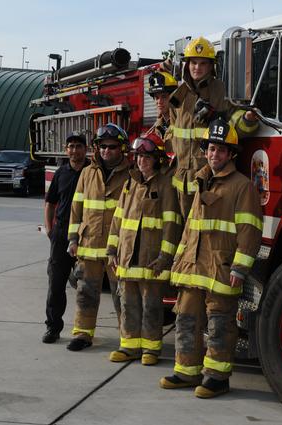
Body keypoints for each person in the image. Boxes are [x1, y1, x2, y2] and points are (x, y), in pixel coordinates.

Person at [159, 117, 263, 398]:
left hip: (221, 266)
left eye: (219, 149)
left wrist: (240, 268)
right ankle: (186, 371)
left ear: (230, 154)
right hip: (192, 265)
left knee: (219, 323)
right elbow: (191, 226)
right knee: (186, 319)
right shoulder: (201, 180)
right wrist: (178, 260)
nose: (213, 154)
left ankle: (217, 377)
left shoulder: (242, 186)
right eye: (210, 149)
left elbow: (249, 231)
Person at [106, 133, 182, 365]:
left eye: (146, 157)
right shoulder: (130, 183)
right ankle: (129, 346)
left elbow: (172, 223)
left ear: (157, 159)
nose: (141, 161)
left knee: (151, 307)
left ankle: (150, 349)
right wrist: (111, 250)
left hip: (152, 260)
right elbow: (118, 219)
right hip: (127, 257)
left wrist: (165, 256)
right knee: (128, 305)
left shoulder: (166, 184)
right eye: (138, 157)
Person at [167, 36, 259, 219]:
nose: (197, 68)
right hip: (180, 181)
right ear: (187, 65)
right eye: (193, 62)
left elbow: (235, 123)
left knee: (205, 230)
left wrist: (248, 120)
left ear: (211, 66)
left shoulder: (222, 91)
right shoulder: (180, 94)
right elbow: (172, 129)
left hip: (209, 177)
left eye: (203, 63)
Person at [66, 123, 131, 351]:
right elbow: (77, 208)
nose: (106, 151)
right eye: (102, 146)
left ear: (121, 148)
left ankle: (128, 339)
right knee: (86, 293)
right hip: (89, 244)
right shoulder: (87, 172)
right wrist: (73, 239)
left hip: (118, 247)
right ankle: (83, 334)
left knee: (122, 297)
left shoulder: (132, 174)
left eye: (112, 147)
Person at [42, 132, 89, 344]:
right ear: (65, 149)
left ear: (86, 149)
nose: (74, 150)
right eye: (71, 146)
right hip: (61, 236)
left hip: (86, 236)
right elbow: (50, 203)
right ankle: (53, 327)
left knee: (87, 287)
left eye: (79, 146)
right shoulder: (61, 173)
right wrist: (50, 229)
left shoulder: (92, 173)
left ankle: (84, 331)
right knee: (56, 284)